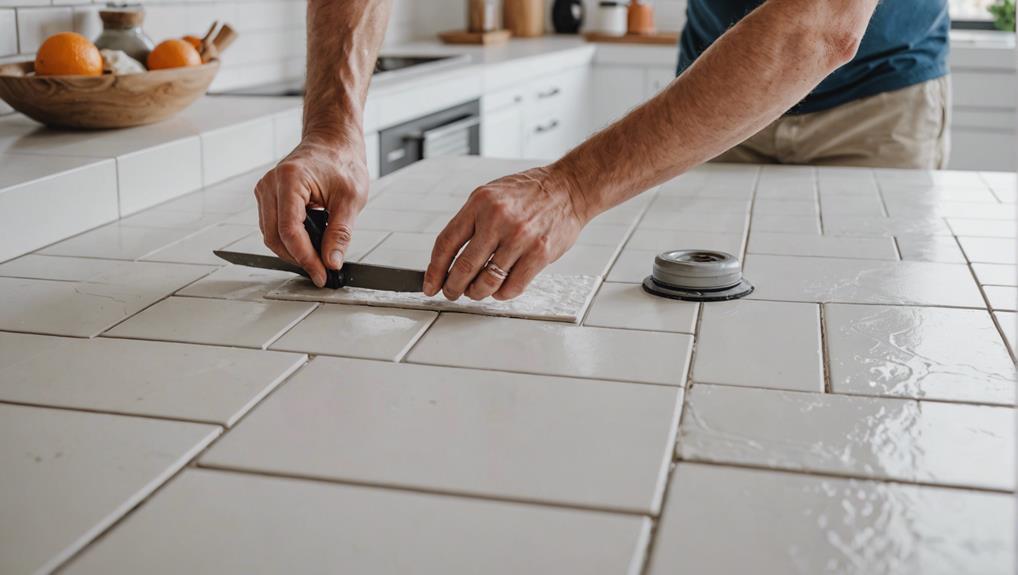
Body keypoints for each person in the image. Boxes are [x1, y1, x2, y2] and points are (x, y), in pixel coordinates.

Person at [254, 0, 949, 303]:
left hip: (874, 99)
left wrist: (571, 188)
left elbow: (823, 24)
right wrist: (331, 127)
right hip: (717, 94)